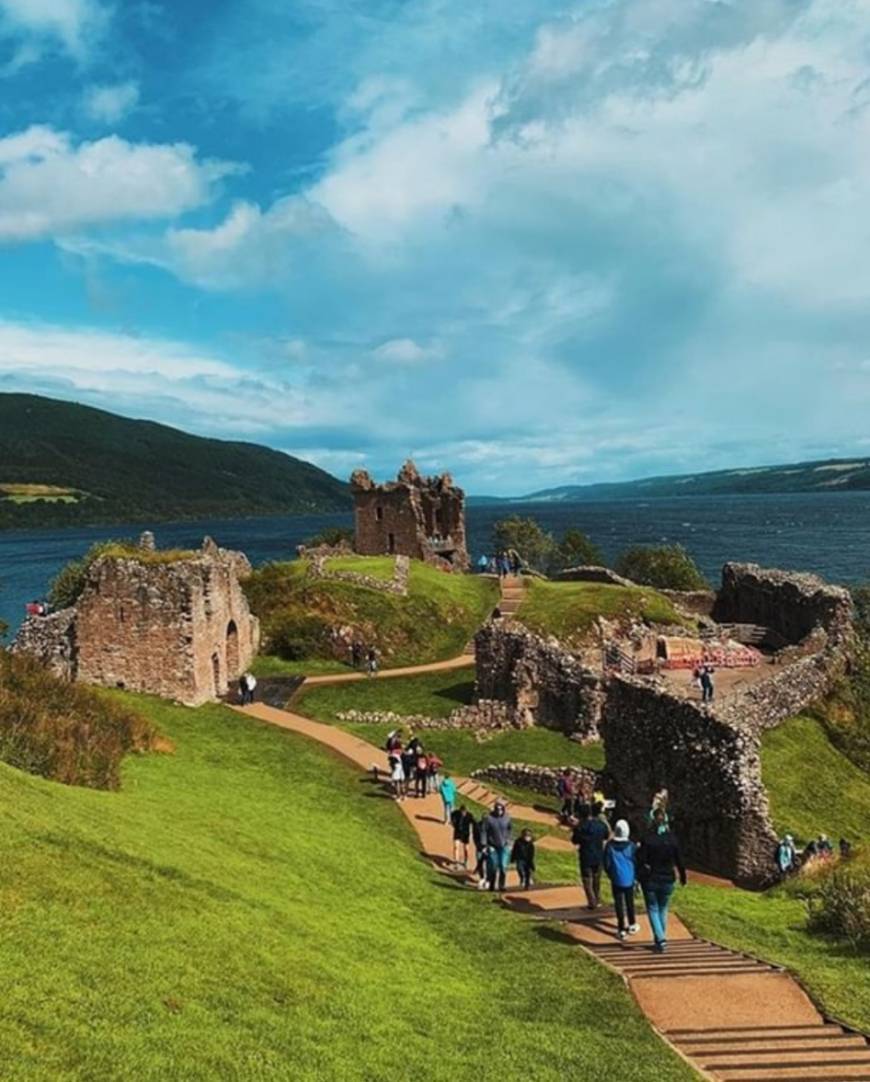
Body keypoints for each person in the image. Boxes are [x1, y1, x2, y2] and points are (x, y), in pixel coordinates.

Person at [636, 808, 687, 953]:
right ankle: (660, 938)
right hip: (668, 878)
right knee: (663, 909)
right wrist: (683, 876)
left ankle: (660, 939)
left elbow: (641, 860)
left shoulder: (648, 839)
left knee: (653, 908)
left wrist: (638, 877)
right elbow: (680, 861)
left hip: (652, 877)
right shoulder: (672, 839)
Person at [604, 820, 640, 940]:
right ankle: (632, 923)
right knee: (630, 902)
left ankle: (621, 929)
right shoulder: (632, 846)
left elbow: (606, 863)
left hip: (616, 879)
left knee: (619, 904)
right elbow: (636, 862)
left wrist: (610, 874)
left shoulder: (609, 846)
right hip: (629, 879)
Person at [571, 803, 610, 910]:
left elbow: (574, 840)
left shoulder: (580, 827)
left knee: (587, 879)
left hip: (586, 856)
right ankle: (597, 899)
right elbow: (606, 835)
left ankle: (592, 901)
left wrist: (575, 827)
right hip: (598, 855)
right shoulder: (600, 825)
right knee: (597, 878)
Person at [481, 802, 513, 892]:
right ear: (494, 809)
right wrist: (485, 845)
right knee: (494, 867)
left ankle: (501, 885)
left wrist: (509, 841)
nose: (499, 811)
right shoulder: (489, 819)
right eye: (497, 809)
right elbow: (484, 831)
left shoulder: (507, 818)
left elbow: (510, 829)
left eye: (501, 809)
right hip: (492, 846)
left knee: (503, 866)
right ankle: (492, 884)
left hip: (504, 846)